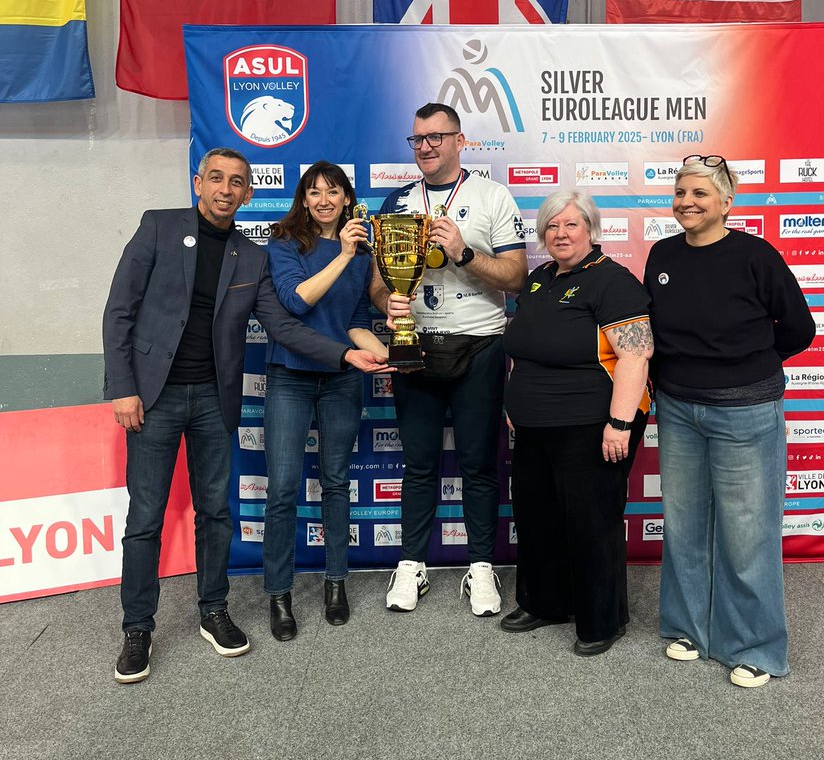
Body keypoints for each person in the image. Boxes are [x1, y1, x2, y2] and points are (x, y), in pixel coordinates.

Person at [102, 147, 390, 685]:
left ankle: (213, 611)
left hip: (215, 399)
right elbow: (119, 310)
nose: (225, 189)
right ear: (199, 183)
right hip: (154, 397)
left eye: (237, 182)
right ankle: (137, 629)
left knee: (216, 512)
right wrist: (123, 388)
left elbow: (284, 326)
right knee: (145, 519)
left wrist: (346, 355)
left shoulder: (250, 255)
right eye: (216, 178)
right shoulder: (159, 227)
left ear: (248, 193)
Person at [644, 155, 815, 688]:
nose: (687, 202)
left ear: (726, 202)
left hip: (745, 411)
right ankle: (690, 628)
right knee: (685, 524)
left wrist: (747, 366)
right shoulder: (662, 255)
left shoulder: (755, 255)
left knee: (747, 533)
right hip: (678, 409)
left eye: (699, 193)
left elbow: (799, 327)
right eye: (680, 193)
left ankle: (755, 647)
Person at [370, 102, 528, 615]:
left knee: (479, 463)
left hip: (480, 343)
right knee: (418, 463)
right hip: (415, 346)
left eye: (436, 137)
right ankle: (411, 564)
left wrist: (463, 252)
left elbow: (516, 277)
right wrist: (387, 302)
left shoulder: (491, 196)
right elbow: (377, 285)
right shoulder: (397, 202)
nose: (426, 147)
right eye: (418, 139)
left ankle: (480, 566)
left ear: (461, 141)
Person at [501, 191, 653, 655]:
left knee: (591, 524)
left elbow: (636, 355)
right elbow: (522, 347)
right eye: (552, 226)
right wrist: (513, 403)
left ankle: (603, 620)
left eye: (571, 224)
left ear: (591, 229)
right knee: (537, 518)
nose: (560, 233)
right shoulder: (538, 279)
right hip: (533, 424)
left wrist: (619, 424)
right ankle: (545, 602)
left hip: (591, 424)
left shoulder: (613, 281)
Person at [263, 161, 388, 639]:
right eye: (314, 192)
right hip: (290, 377)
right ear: (303, 199)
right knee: (283, 489)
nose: (323, 200)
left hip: (341, 379)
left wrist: (394, 355)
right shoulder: (284, 242)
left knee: (336, 482)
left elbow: (354, 321)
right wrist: (343, 253)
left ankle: (336, 583)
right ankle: (279, 594)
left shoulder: (362, 253)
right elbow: (297, 301)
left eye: (333, 192)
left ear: (347, 198)